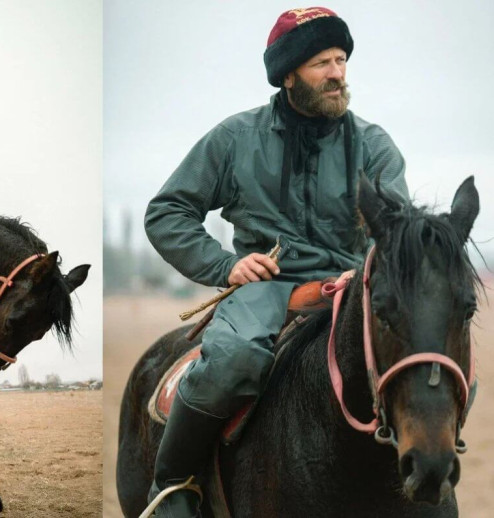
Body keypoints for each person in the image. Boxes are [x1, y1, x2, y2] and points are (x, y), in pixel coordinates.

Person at [143, 7, 408, 516]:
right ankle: (173, 484)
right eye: (321, 63)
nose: (337, 73)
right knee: (235, 360)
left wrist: (372, 268)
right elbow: (167, 211)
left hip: (352, 284)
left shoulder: (374, 146)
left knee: (427, 355)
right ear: (288, 75)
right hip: (266, 288)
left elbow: (393, 231)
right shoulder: (236, 138)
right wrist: (226, 267)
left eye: (341, 59)